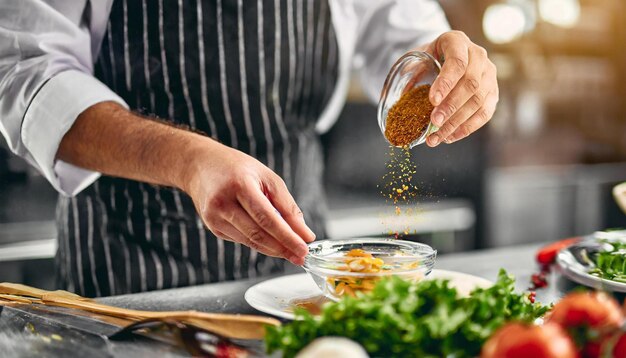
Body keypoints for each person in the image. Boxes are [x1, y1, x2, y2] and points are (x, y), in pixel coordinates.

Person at [0, 0, 498, 297]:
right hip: (131, 260)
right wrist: (186, 159)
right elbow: (24, 73)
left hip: (301, 252)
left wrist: (449, 62)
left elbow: (400, 35)